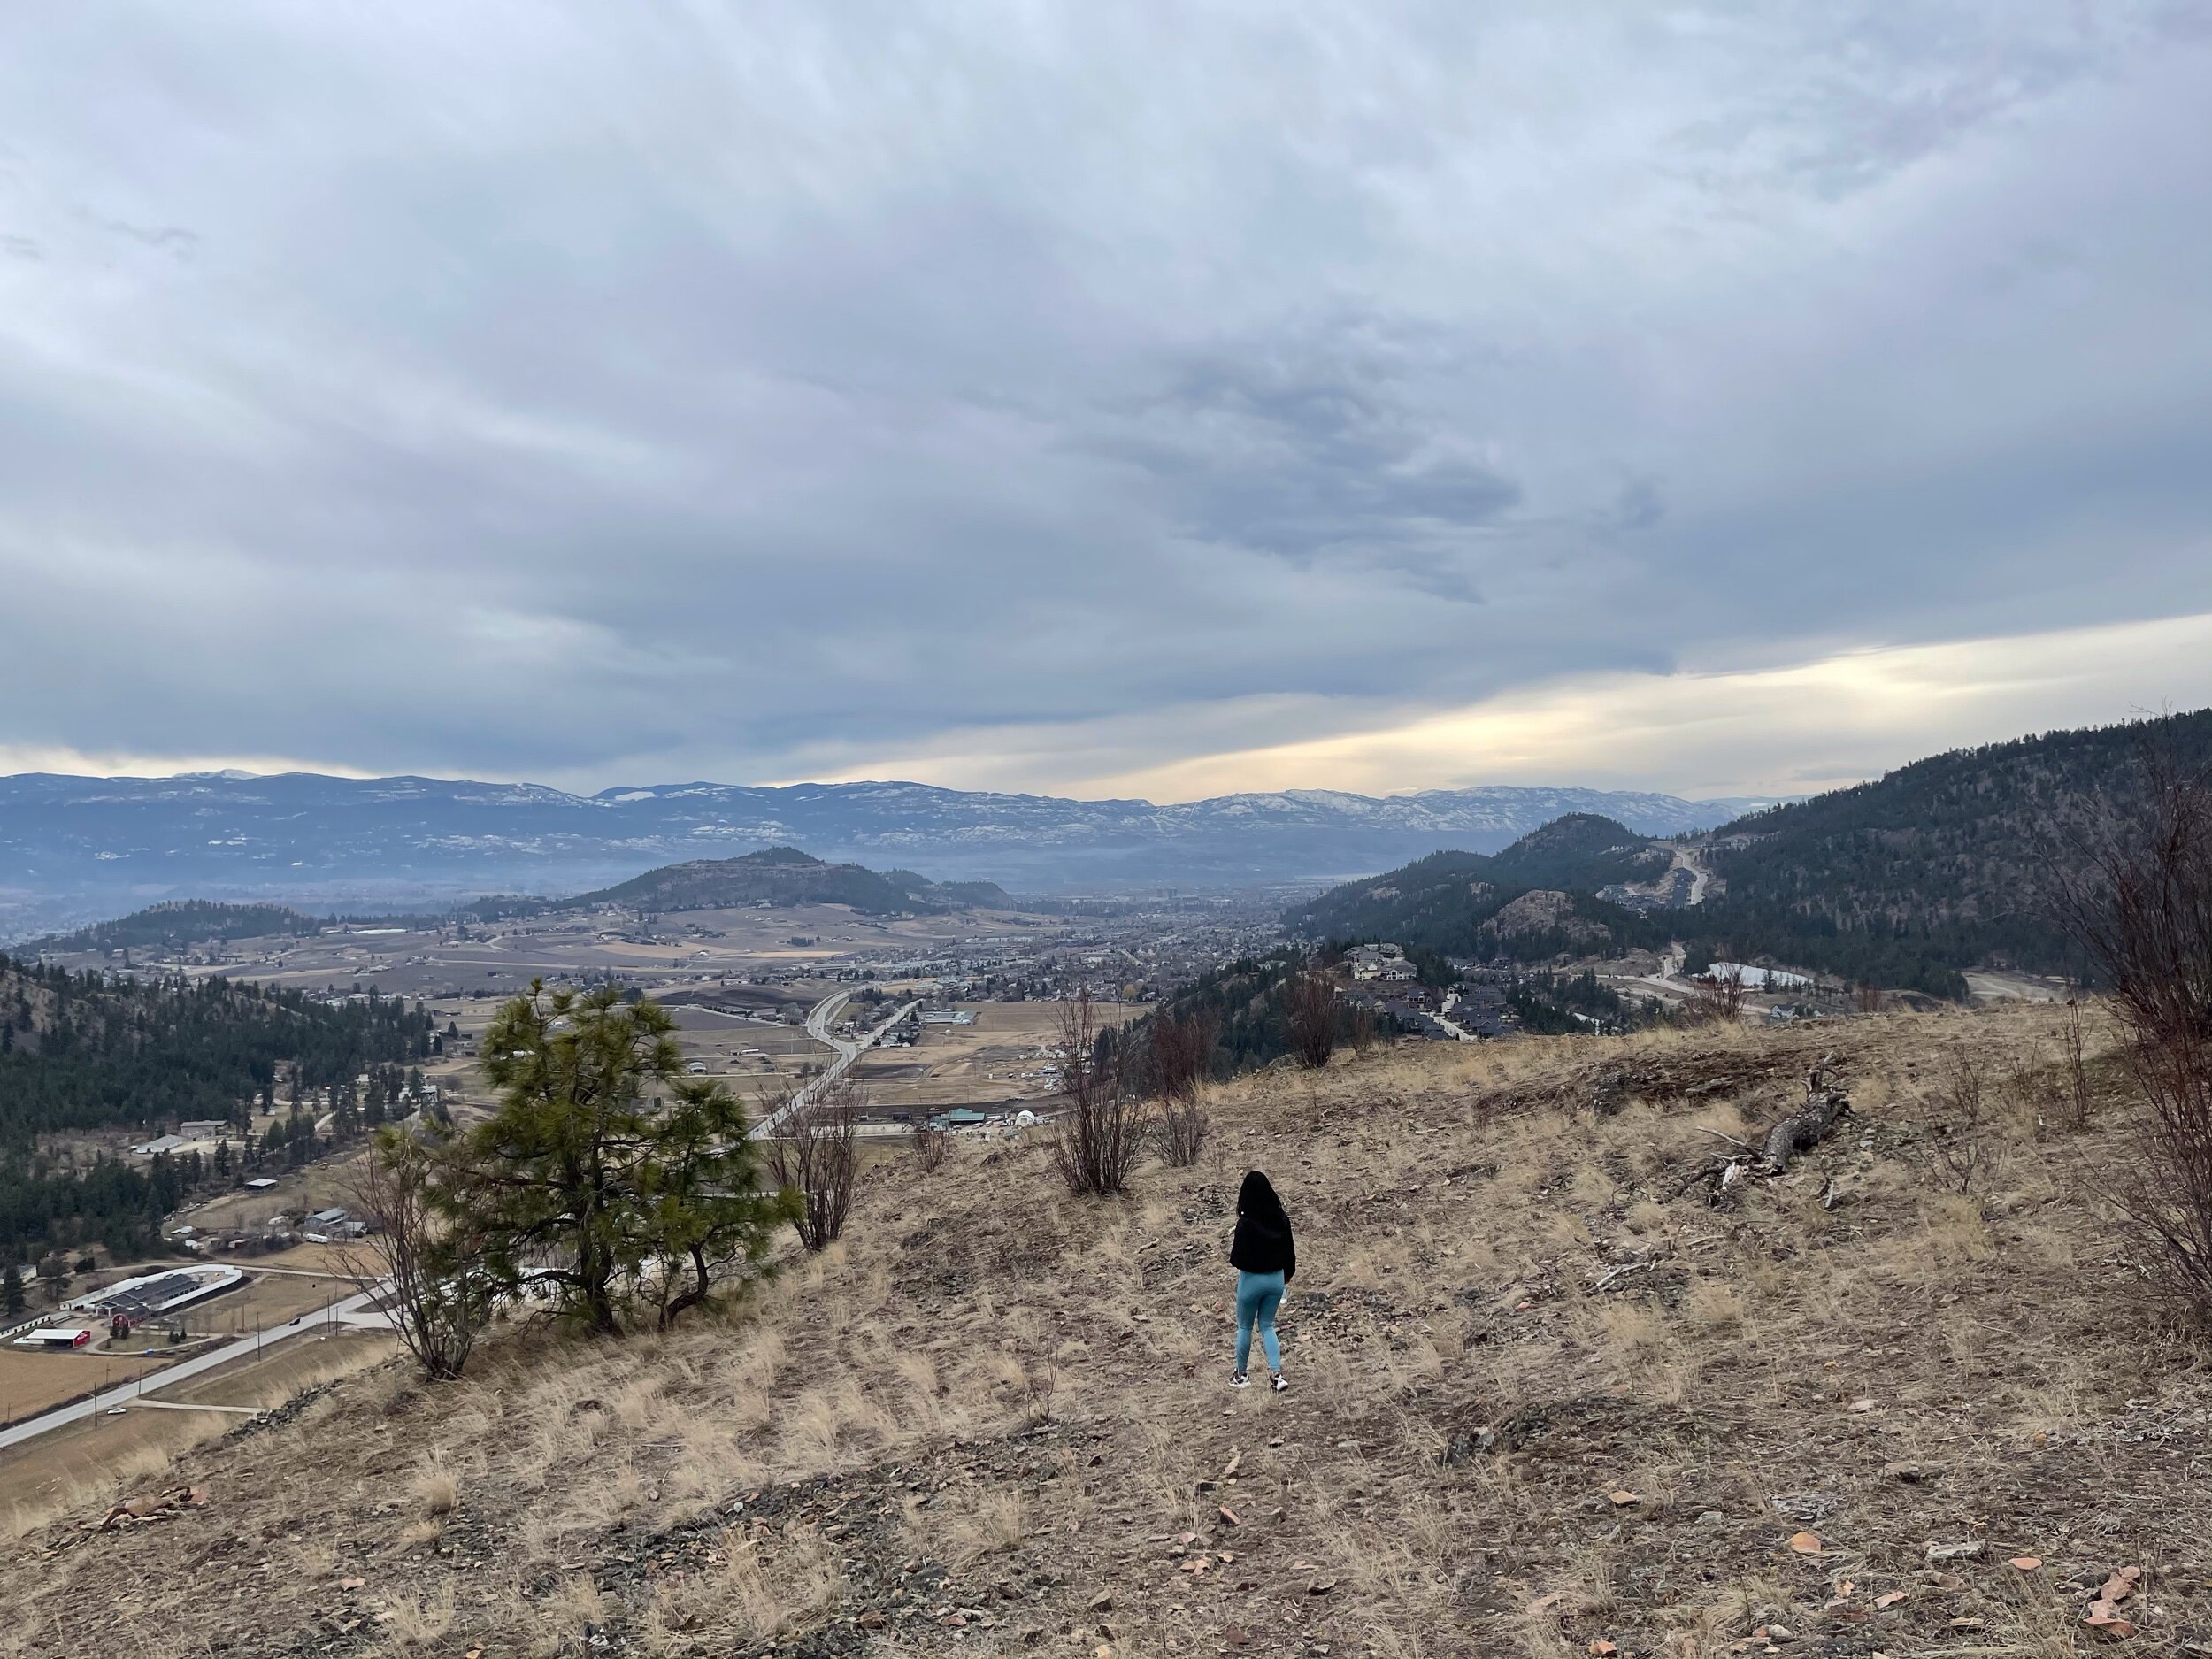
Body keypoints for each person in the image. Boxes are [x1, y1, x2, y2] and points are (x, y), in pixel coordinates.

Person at [1228, 1170, 1294, 1391]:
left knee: (1245, 1327)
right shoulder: (1282, 1220)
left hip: (1251, 1281)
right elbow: (1290, 1254)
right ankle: (1277, 1375)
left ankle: (1241, 1375)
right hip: (1276, 1280)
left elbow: (1237, 1259)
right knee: (1267, 1325)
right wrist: (1285, 1278)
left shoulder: (1246, 1224)